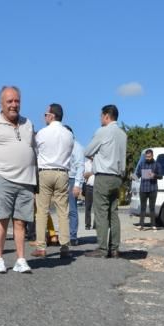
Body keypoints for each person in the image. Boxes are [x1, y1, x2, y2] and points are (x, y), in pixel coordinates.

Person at [0, 86, 37, 274]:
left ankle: (21, 259)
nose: (14, 105)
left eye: (17, 101)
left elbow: (33, 150)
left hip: (26, 181)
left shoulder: (28, 123)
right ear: (1, 104)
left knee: (21, 222)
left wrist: (35, 179)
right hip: (3, 178)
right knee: (2, 219)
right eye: (10, 101)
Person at [84, 104, 127, 258]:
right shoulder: (123, 134)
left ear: (107, 116)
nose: (100, 119)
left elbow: (87, 151)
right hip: (117, 177)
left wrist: (96, 157)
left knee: (101, 212)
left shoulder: (103, 131)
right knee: (113, 213)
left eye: (101, 116)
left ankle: (102, 249)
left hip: (103, 176)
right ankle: (114, 248)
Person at [32, 103, 74, 259]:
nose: (44, 117)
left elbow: (35, 151)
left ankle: (41, 247)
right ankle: (65, 247)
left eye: (45, 114)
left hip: (45, 171)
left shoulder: (43, 133)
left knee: (42, 211)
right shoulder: (69, 134)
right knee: (63, 212)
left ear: (51, 115)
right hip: (63, 173)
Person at [64, 126, 84, 246]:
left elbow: (80, 166)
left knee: (72, 209)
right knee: (61, 209)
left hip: (71, 179)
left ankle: (73, 236)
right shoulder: (62, 145)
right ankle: (63, 235)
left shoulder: (77, 146)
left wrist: (78, 185)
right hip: (61, 177)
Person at [135, 149, 163, 230]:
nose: (147, 158)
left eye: (149, 156)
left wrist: (154, 175)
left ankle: (153, 225)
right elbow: (137, 175)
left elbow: (161, 176)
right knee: (143, 207)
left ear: (152, 156)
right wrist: (133, 177)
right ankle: (141, 225)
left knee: (152, 207)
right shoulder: (141, 164)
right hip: (143, 188)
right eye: (146, 157)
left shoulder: (157, 164)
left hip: (153, 188)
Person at [83, 158, 95, 229]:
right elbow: (84, 175)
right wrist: (92, 173)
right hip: (88, 187)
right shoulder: (86, 163)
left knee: (97, 207)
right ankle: (87, 225)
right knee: (88, 207)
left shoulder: (99, 162)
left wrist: (89, 173)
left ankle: (96, 224)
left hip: (97, 187)